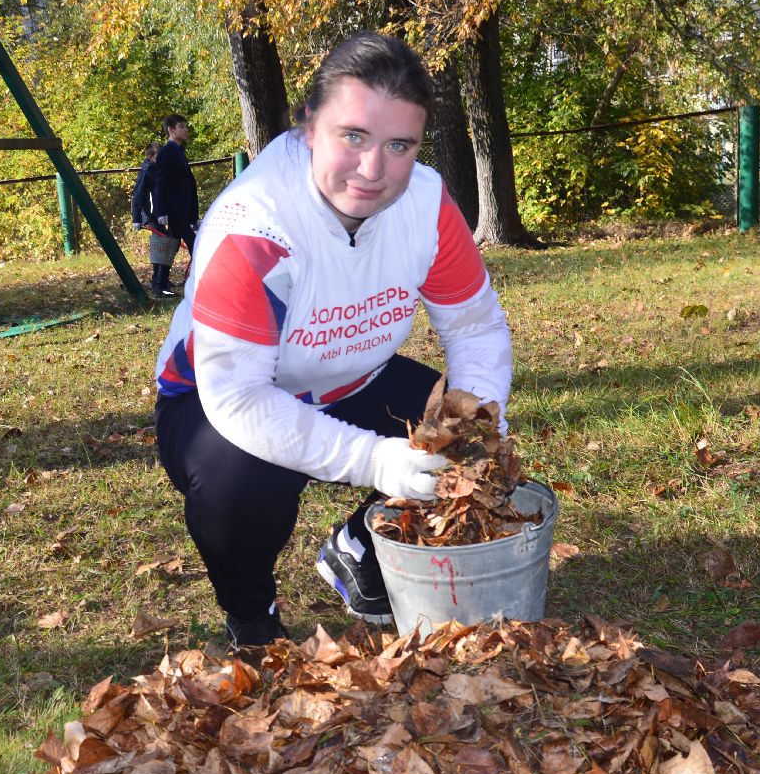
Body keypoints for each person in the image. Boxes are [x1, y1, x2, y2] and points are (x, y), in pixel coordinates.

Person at [151, 32, 513, 648]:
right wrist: (375, 460)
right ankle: (252, 617)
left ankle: (359, 548)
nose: (374, 170)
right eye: (353, 136)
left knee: (467, 429)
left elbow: (476, 327)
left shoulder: (424, 201)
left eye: (399, 145)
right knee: (239, 477)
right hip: (218, 403)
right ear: (308, 126)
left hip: (355, 380)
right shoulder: (255, 221)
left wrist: (468, 434)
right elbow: (238, 399)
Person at [145, 113, 199, 296]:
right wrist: (161, 211)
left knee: (173, 244)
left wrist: (192, 213)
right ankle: (200, 280)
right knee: (194, 243)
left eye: (185, 126)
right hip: (174, 210)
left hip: (182, 209)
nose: (186, 130)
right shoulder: (168, 151)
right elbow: (161, 182)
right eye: (181, 126)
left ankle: (159, 283)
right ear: (171, 130)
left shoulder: (178, 151)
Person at [130, 141, 179, 296]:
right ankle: (159, 285)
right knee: (163, 244)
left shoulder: (161, 169)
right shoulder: (147, 170)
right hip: (151, 215)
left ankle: (160, 278)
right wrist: (137, 218)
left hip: (163, 213)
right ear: (151, 156)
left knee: (172, 243)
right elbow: (137, 195)